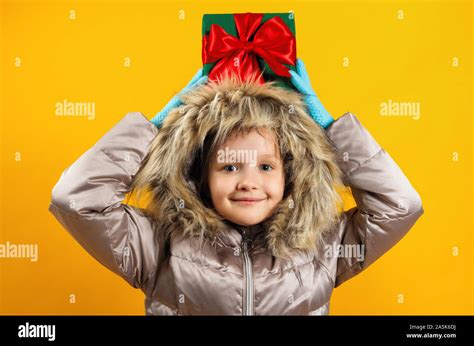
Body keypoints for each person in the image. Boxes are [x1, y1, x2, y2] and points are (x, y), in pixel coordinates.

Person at [48, 59, 424, 315]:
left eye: (265, 166)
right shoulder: (157, 246)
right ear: (200, 176)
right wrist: (157, 126)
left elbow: (399, 205)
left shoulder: (324, 246)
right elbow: (76, 199)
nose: (249, 182)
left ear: (290, 175)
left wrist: (329, 128)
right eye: (229, 166)